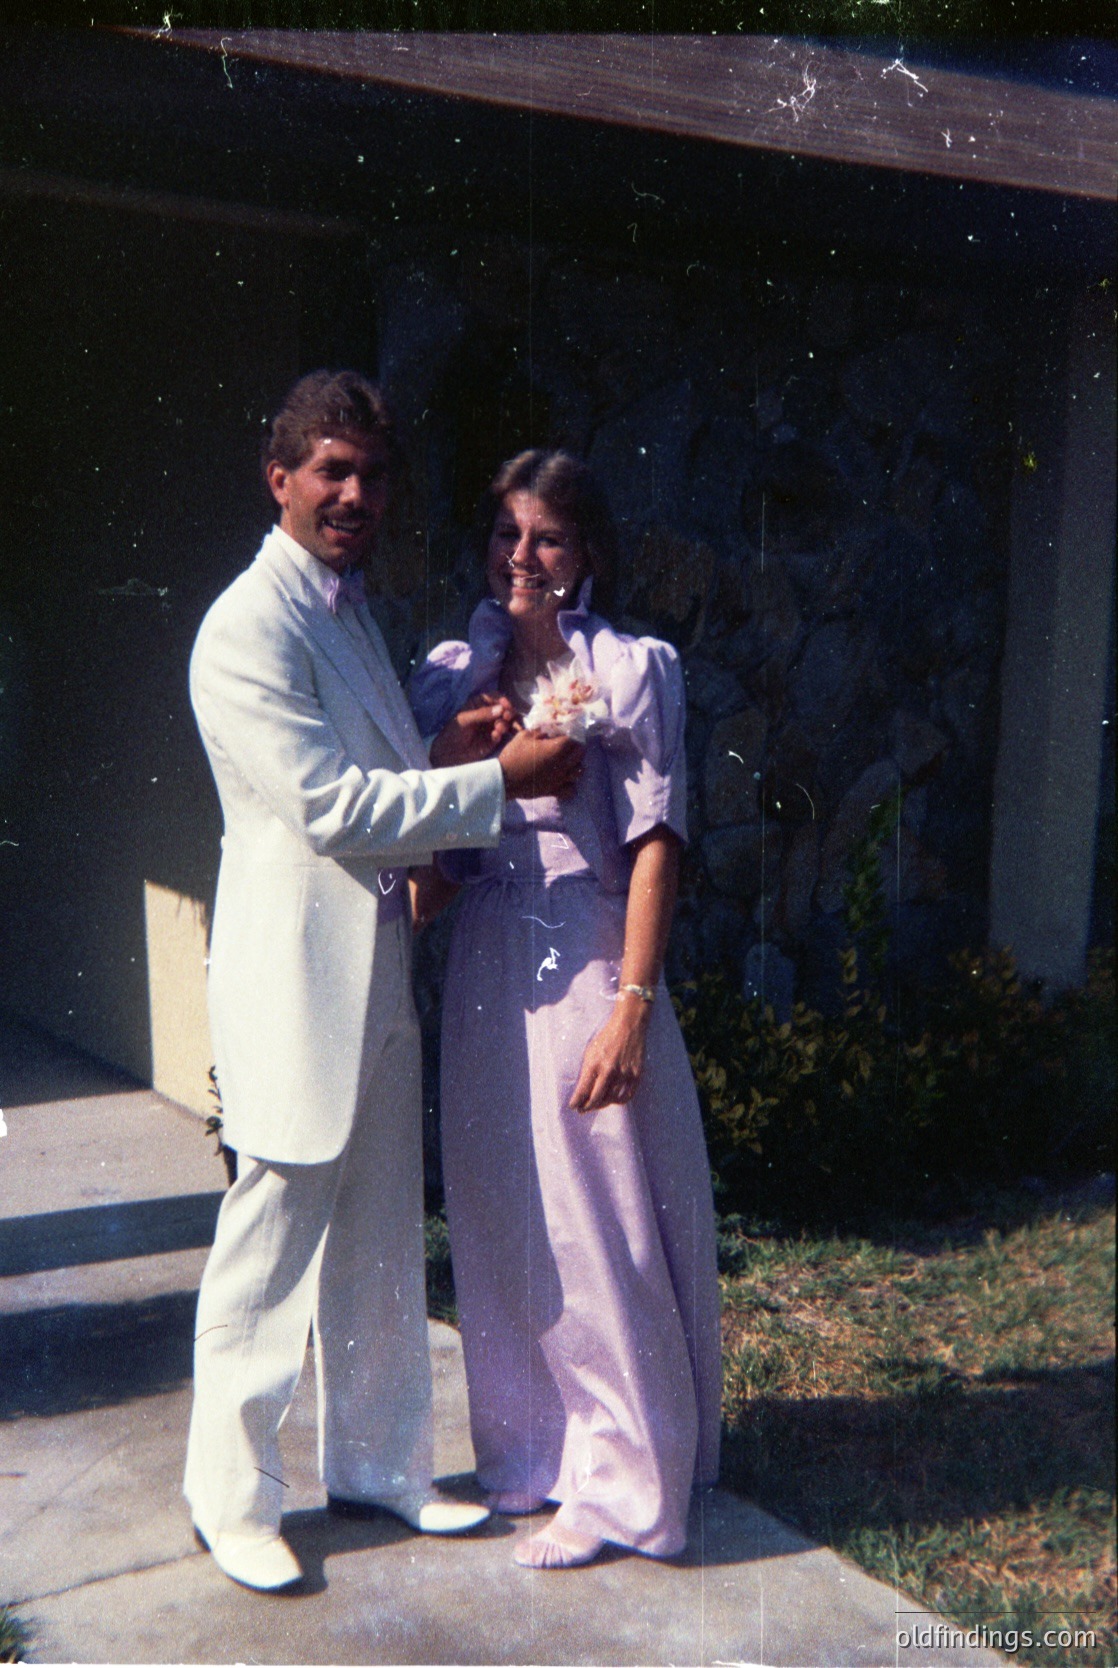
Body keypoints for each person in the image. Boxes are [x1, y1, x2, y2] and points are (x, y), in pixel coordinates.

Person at [184, 374, 582, 1592]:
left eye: (368, 474)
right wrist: (499, 780)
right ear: (280, 478)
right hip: (288, 982)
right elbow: (329, 808)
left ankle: (380, 1468)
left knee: (372, 1238)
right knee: (270, 1243)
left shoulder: (343, 614)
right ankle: (231, 1499)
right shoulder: (246, 625)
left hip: (368, 972)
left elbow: (381, 768)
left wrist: (449, 750)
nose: (354, 494)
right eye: (330, 472)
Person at [409, 450, 722, 1571]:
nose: (522, 559)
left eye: (546, 538)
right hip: (490, 957)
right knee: (503, 1217)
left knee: (598, 1223)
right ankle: (533, 1459)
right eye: (506, 536)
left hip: (587, 956)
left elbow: (652, 848)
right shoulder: (452, 673)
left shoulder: (629, 673)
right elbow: (430, 858)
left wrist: (631, 1007)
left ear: (584, 555)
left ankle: (630, 1485)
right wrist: (456, 756)